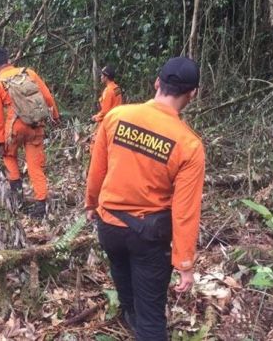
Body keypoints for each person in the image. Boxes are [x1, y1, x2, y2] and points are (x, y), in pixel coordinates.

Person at [85, 57, 204, 340]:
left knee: (128, 295)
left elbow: (96, 171)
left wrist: (91, 204)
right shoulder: (189, 144)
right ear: (193, 94)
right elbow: (185, 211)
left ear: (156, 83)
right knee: (152, 318)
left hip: (109, 227)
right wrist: (184, 263)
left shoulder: (116, 116)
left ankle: (133, 320)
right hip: (148, 238)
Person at [0, 47, 60, 218]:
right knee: (35, 165)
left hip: (14, 128)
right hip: (35, 124)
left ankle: (18, 199)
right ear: (9, 60)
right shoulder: (29, 73)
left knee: (9, 157)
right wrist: (55, 115)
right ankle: (41, 204)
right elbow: (47, 97)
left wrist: (0, 141)